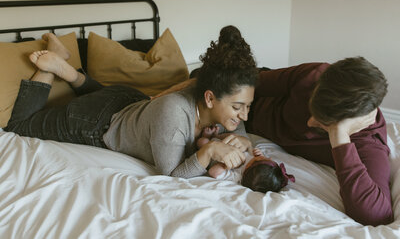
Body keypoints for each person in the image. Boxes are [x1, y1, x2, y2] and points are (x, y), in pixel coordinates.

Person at [4, 29, 258, 179]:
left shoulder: (207, 91)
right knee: (19, 125)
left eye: (247, 106)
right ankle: (55, 64)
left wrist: (244, 140)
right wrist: (211, 150)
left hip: (129, 101)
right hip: (97, 122)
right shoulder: (173, 112)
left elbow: (239, 131)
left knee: (101, 97)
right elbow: (171, 176)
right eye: (237, 107)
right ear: (210, 98)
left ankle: (71, 72)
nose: (244, 116)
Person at [245, 57, 392, 226]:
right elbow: (249, 82)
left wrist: (339, 137)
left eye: (323, 124)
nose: (308, 123)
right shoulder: (315, 76)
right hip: (247, 105)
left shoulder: (368, 143)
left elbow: (377, 215)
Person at [196, 127, 295, 192]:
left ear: (251, 166)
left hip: (213, 154)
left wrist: (226, 165)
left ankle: (207, 138)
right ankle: (215, 136)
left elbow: (213, 172)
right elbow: (249, 148)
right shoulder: (254, 160)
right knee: (234, 137)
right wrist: (257, 153)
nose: (269, 157)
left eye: (265, 158)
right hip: (225, 143)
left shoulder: (237, 176)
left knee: (202, 142)